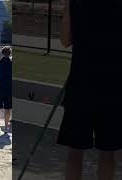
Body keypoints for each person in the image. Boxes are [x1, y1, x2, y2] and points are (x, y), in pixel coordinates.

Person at [57, 0, 122, 180]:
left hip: (82, 83)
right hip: (111, 85)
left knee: (76, 151)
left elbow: (64, 40)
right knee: (108, 152)